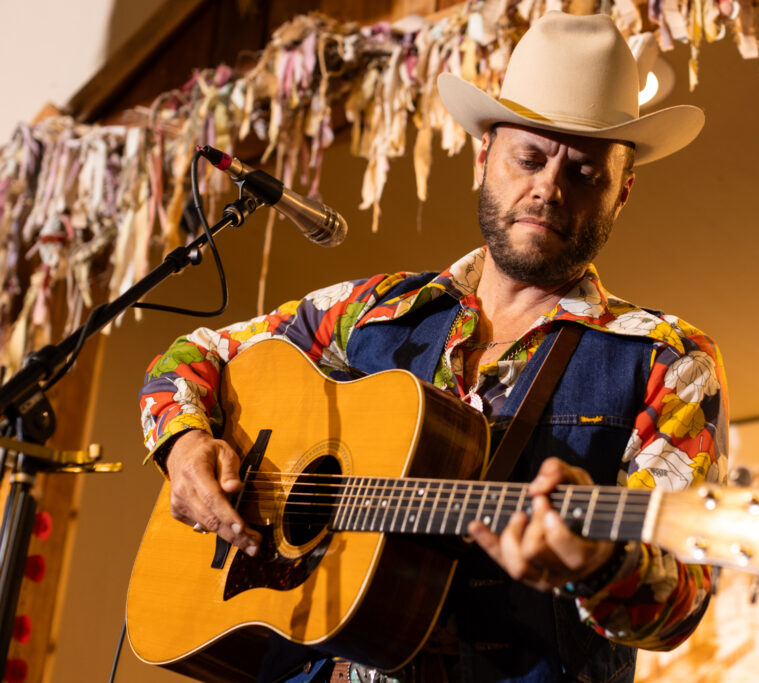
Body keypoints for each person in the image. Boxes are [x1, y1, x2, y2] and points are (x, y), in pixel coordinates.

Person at [138, 11, 728, 683]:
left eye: (586, 174)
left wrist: (600, 565)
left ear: (622, 194)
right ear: (483, 157)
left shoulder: (668, 361)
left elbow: (680, 597)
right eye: (529, 158)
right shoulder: (370, 312)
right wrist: (185, 445)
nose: (549, 189)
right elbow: (194, 354)